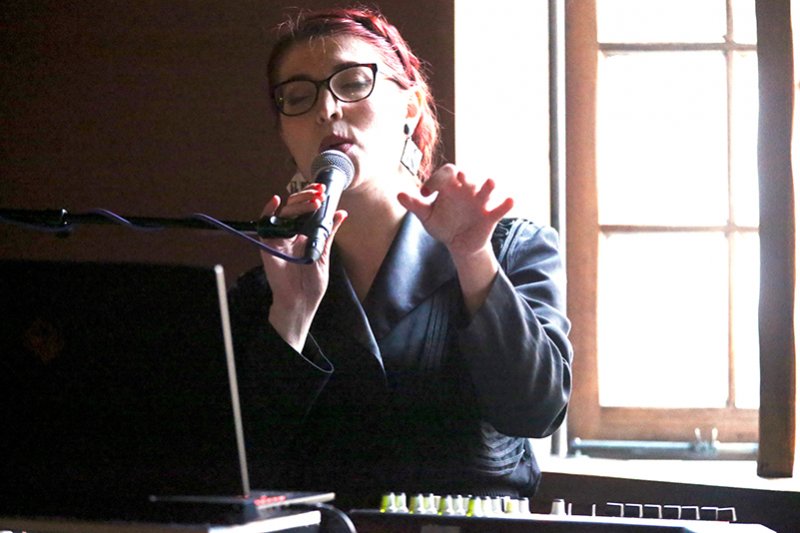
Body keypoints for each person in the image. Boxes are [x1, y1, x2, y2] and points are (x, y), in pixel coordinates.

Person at [228, 6, 573, 512]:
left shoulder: (512, 247)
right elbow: (238, 465)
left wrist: (473, 257)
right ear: (284, 132)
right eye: (299, 98)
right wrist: (291, 317)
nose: (327, 109)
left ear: (409, 108)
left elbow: (535, 411)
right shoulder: (267, 287)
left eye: (352, 83)